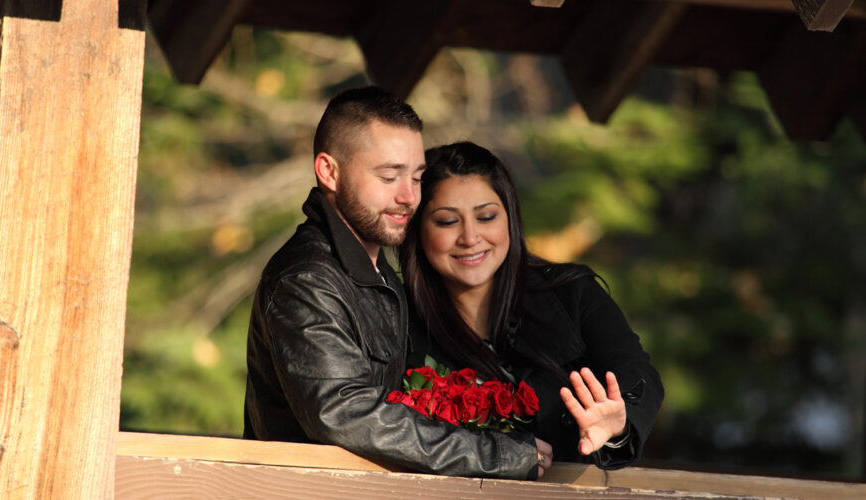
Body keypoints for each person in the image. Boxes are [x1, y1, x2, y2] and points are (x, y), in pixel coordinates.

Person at [243, 87, 551, 479]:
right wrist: (496, 455)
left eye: (417, 177)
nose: (409, 197)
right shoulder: (306, 280)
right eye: (389, 176)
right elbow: (345, 413)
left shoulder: (382, 274)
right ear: (329, 172)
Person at [400, 141, 664, 469]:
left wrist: (617, 427)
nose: (470, 237)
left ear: (509, 219)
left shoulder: (570, 293)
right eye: (446, 221)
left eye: (486, 217)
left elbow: (637, 373)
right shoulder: (398, 321)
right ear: (418, 231)